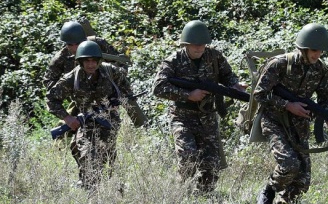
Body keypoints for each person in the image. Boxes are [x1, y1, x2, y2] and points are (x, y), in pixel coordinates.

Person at [254, 23, 328, 204]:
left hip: (299, 125)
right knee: (289, 163)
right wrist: (287, 104)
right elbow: (259, 94)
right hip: (274, 120)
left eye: (320, 50)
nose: (317, 54)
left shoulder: (321, 71)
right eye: (313, 50)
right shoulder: (279, 64)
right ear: (303, 47)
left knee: (303, 180)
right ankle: (268, 192)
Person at [152, 20, 245, 194]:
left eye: (202, 44)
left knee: (211, 164)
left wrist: (235, 86)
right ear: (186, 44)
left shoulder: (214, 57)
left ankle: (204, 198)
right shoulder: (173, 61)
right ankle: (181, 194)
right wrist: (188, 95)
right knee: (188, 156)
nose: (199, 48)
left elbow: (228, 76)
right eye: (195, 45)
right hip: (182, 116)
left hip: (207, 116)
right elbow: (158, 88)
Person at [46, 41, 146, 190]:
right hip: (86, 123)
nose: (91, 64)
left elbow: (126, 91)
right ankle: (91, 190)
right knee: (85, 153)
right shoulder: (71, 78)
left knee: (106, 158)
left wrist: (118, 102)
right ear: (80, 61)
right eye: (87, 60)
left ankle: (107, 188)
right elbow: (51, 98)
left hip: (109, 121)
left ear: (99, 61)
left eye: (94, 60)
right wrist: (67, 118)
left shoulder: (112, 72)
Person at [44, 20, 124, 90]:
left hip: (110, 90)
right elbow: (49, 82)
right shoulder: (61, 58)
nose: (75, 48)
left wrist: (116, 79)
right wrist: (68, 88)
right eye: (70, 45)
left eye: (78, 44)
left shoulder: (99, 44)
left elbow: (122, 63)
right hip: (82, 98)